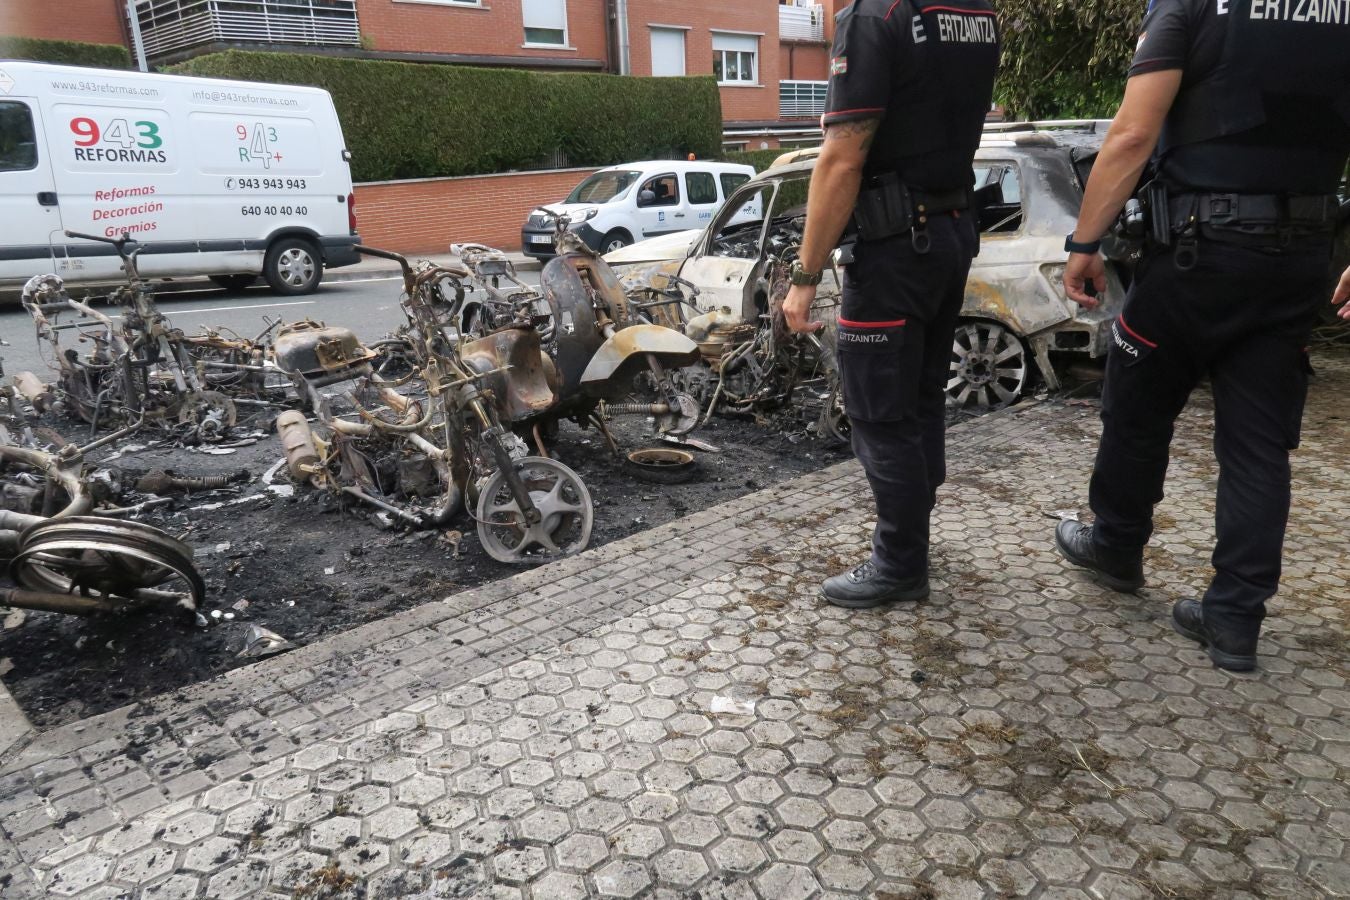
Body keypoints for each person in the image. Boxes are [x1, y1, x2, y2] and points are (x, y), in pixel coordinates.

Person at [1054, 0, 1350, 671]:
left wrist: (1084, 242)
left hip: (1198, 255)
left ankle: (1117, 548)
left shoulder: (1191, 6)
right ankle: (1235, 619)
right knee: (1258, 443)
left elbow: (1132, 134)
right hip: (1299, 258)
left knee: (1135, 405)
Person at [782, 0, 999, 608]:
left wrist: (805, 274)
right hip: (949, 231)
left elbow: (842, 157)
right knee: (922, 393)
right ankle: (914, 536)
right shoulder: (976, 11)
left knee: (879, 410)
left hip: (895, 247)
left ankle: (900, 562)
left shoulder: (876, 15)